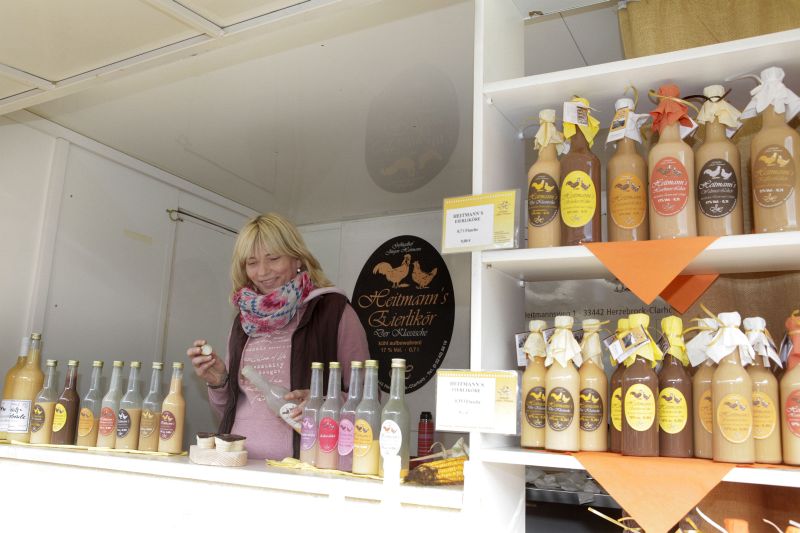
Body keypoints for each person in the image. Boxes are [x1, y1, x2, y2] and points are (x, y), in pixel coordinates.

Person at [187, 213, 369, 460]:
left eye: (273, 258)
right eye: (252, 262)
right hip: (240, 463)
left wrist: (324, 403)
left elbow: (367, 398)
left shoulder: (333, 311)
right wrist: (219, 382)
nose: (263, 272)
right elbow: (229, 410)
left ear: (297, 258)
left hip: (307, 468)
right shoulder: (242, 321)